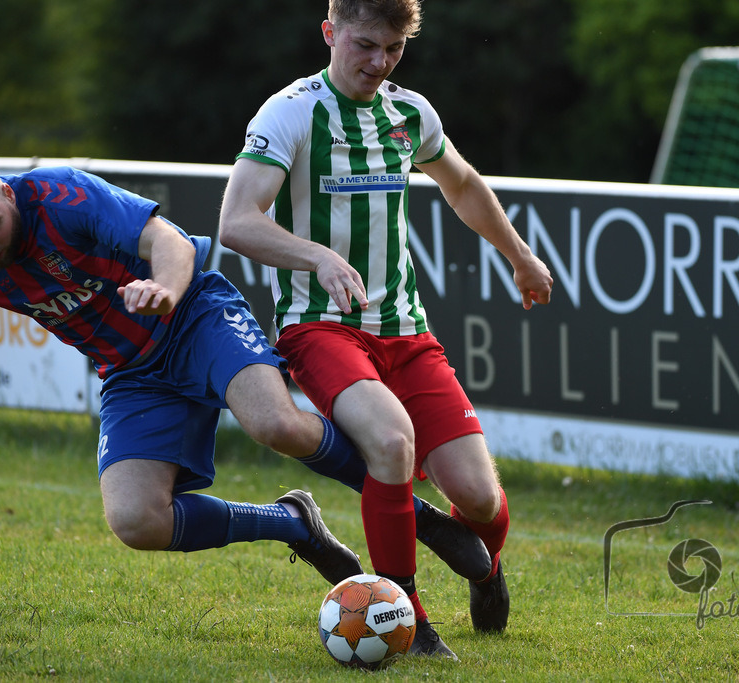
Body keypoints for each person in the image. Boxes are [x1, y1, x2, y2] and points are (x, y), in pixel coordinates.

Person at [218, 0, 554, 660]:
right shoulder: (289, 112)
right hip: (320, 326)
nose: (379, 62)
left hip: (406, 329)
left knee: (481, 499)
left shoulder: (410, 112)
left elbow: (461, 185)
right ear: (330, 33)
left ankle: (485, 569)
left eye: (393, 49)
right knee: (393, 442)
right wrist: (315, 254)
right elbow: (235, 220)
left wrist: (520, 254)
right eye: (365, 45)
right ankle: (407, 617)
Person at [0, 152, 373, 587]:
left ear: (7, 193)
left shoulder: (63, 195)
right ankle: (293, 524)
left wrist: (165, 291)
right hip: (131, 372)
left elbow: (171, 243)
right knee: (137, 521)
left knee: (276, 424)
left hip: (192, 317)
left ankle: (407, 507)